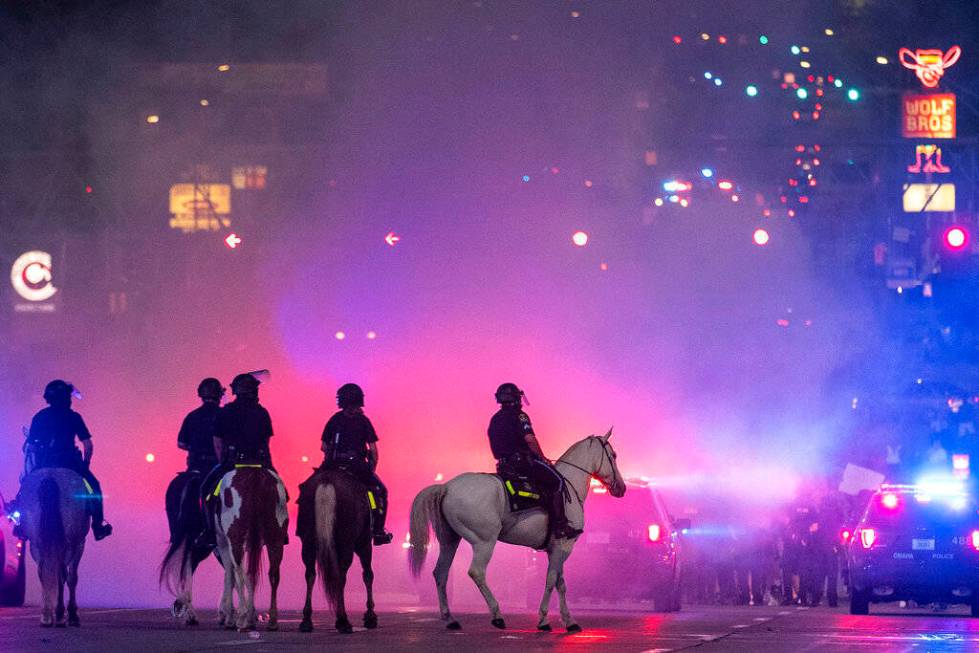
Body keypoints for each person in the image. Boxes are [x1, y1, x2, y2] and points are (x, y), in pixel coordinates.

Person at [13, 380, 112, 541]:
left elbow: (30, 447)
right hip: (70, 462)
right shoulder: (73, 417)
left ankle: (21, 525)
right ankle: (98, 526)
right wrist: (85, 465)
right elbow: (88, 445)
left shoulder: (39, 416)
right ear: (66, 398)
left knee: (25, 487)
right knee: (94, 486)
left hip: (44, 462)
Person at [487, 382, 578, 539]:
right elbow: (530, 440)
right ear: (516, 398)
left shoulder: (494, 419)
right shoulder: (520, 415)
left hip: (503, 466)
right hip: (521, 463)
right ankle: (560, 526)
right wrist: (542, 458)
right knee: (557, 481)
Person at [198, 372, 275, 546]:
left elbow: (217, 442)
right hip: (259, 463)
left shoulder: (226, 412)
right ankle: (275, 532)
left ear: (236, 392)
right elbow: (266, 442)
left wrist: (222, 463)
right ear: (253, 392)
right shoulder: (262, 412)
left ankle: (209, 532)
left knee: (206, 493)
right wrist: (269, 465)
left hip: (232, 464)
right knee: (281, 494)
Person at [318, 383, 393, 545]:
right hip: (357, 467)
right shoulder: (364, 421)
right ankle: (378, 531)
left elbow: (323, 447)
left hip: (332, 466)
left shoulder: (334, 419)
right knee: (378, 493)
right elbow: (373, 451)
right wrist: (371, 470)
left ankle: (307, 526)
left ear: (342, 401)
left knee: (310, 488)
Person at [177, 378, 224, 474]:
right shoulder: (225, 414)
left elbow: (181, 443)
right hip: (218, 466)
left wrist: (196, 447)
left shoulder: (192, 416)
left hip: (195, 465)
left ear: (201, 395)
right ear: (219, 395)